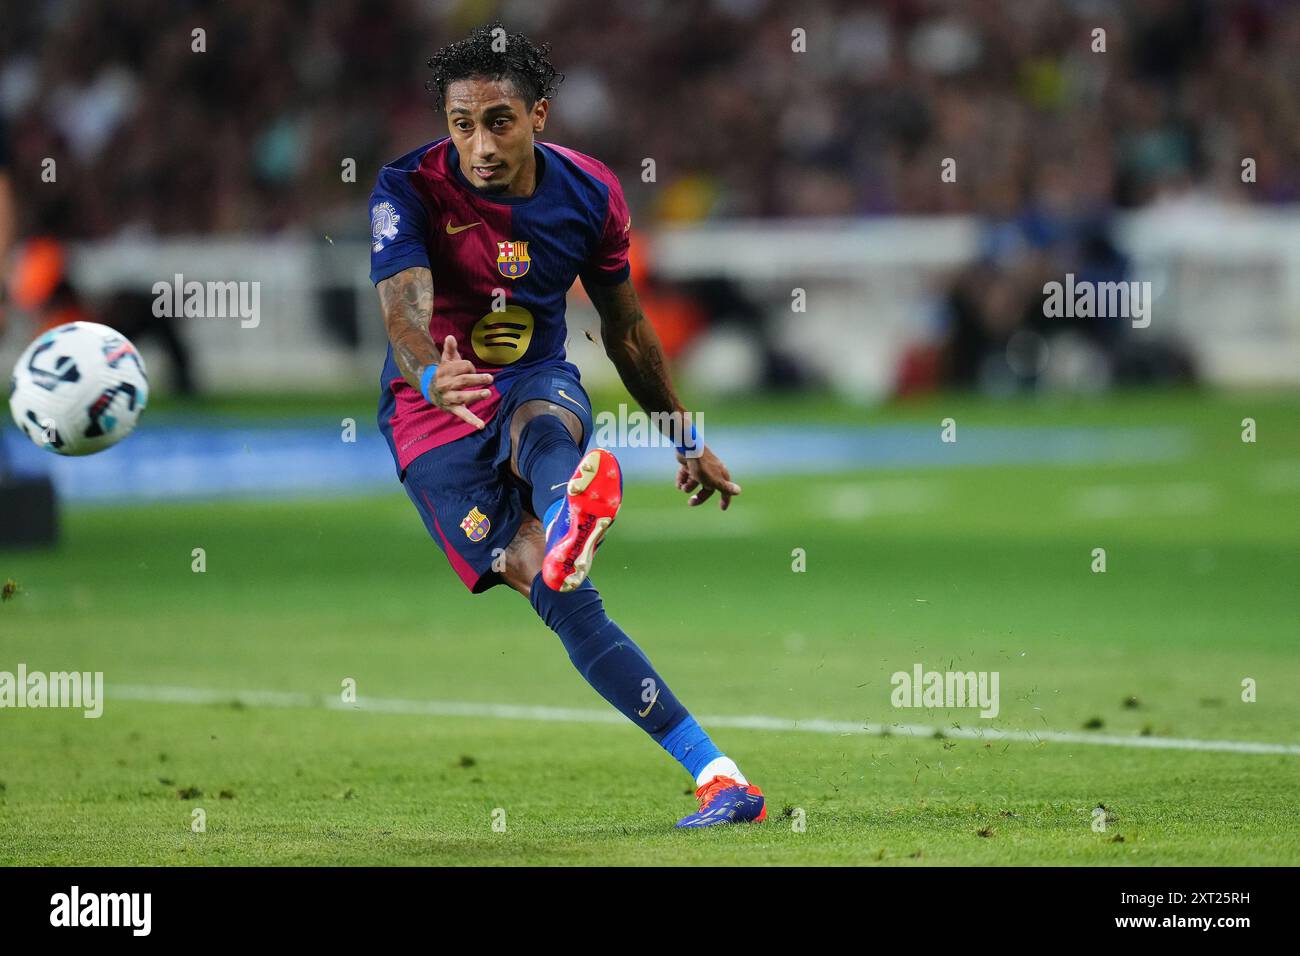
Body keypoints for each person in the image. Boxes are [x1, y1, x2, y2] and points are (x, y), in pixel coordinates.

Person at [369, 23, 762, 827]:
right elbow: (402, 315)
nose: (479, 142)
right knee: (557, 593)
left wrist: (684, 437)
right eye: (461, 123)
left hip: (535, 377)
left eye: (499, 121)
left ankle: (567, 508)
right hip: (430, 414)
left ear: (539, 114)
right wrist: (430, 371)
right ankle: (721, 780)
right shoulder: (406, 187)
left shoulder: (587, 192)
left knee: (545, 421)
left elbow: (624, 329)